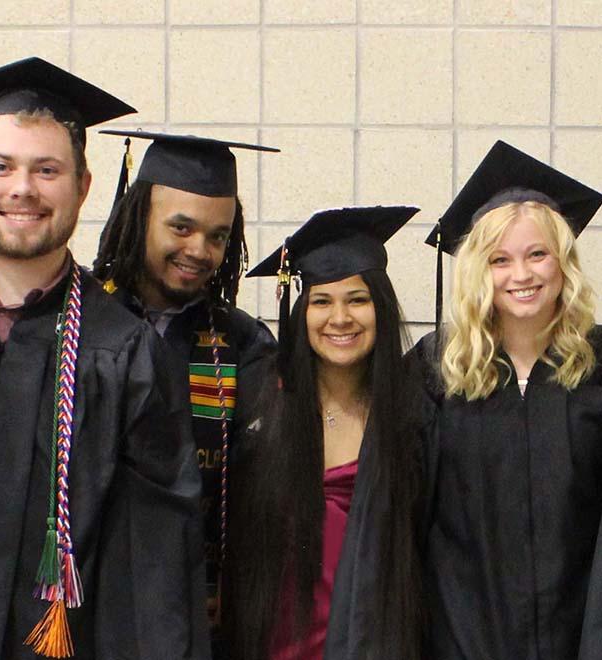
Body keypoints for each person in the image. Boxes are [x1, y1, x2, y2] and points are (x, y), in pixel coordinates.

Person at [0, 58, 207, 660]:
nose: (23, 189)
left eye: (47, 170)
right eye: (1, 166)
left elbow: (151, 574)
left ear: (82, 186)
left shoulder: (125, 351)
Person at [416, 140, 602, 660]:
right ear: (479, 270)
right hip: (461, 638)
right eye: (500, 260)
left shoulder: (598, 364)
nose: (521, 276)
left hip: (579, 635)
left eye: (537, 254)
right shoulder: (437, 369)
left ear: (562, 262)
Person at [92, 130, 279, 647]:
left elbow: (257, 487)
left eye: (218, 236)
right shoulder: (80, 322)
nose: (199, 250)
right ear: (139, 218)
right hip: (84, 599)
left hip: (196, 607)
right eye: (181, 227)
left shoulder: (243, 343)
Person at [224, 206, 427, 660]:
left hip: (374, 640)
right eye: (321, 301)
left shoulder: (411, 415)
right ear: (301, 312)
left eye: (357, 299)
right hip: (277, 641)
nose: (340, 318)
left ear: (382, 307)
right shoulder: (264, 404)